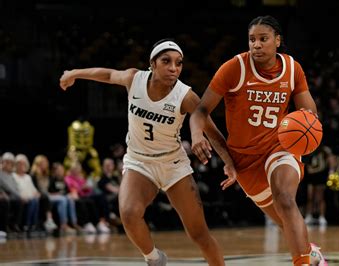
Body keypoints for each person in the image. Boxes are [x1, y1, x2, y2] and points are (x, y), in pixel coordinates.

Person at [59, 38, 234, 266]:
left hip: (173, 164)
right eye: (166, 61)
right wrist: (74, 73)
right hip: (139, 161)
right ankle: (154, 258)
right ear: (152, 63)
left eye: (179, 63)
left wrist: (228, 162)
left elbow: (212, 130)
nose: (173, 68)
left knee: (199, 234)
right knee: (129, 213)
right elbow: (108, 75)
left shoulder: (185, 95)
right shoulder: (135, 79)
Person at [190, 15, 327, 266]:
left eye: (263, 39)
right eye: (252, 39)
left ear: (277, 41)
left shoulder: (292, 69)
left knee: (285, 199)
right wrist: (197, 135)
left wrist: (307, 127)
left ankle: (303, 263)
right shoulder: (235, 68)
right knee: (282, 220)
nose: (256, 45)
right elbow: (200, 111)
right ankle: (311, 253)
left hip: (280, 146)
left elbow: (310, 115)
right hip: (244, 160)